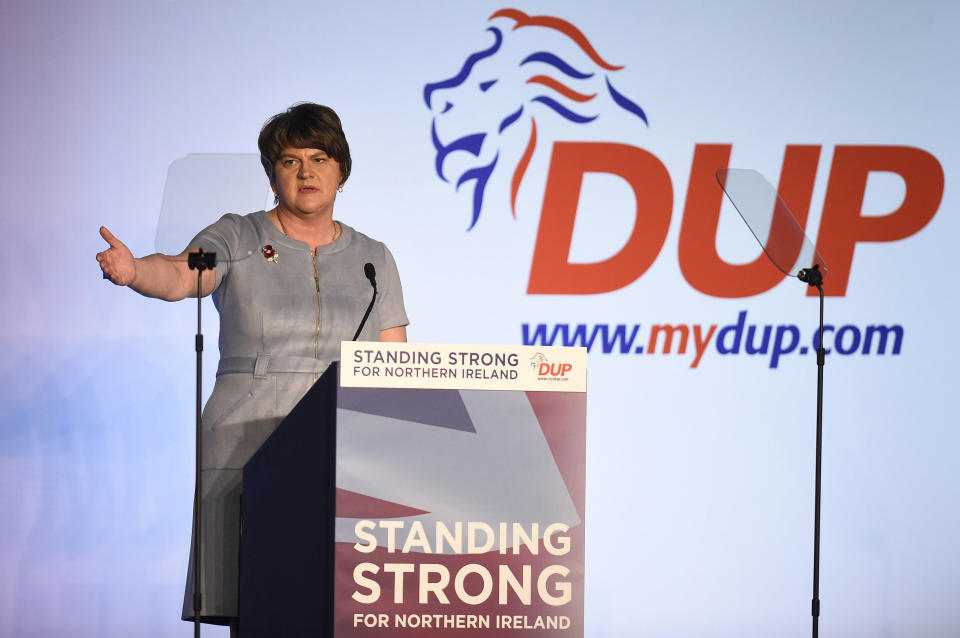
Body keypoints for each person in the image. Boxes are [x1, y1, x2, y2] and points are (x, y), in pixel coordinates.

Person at [96, 102, 409, 633]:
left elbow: (395, 363)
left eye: (319, 158)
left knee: (338, 605)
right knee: (258, 598)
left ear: (341, 170)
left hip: (340, 444)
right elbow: (181, 272)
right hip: (247, 435)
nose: (306, 172)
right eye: (290, 160)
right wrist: (135, 272)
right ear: (271, 173)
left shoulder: (372, 257)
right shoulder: (237, 235)